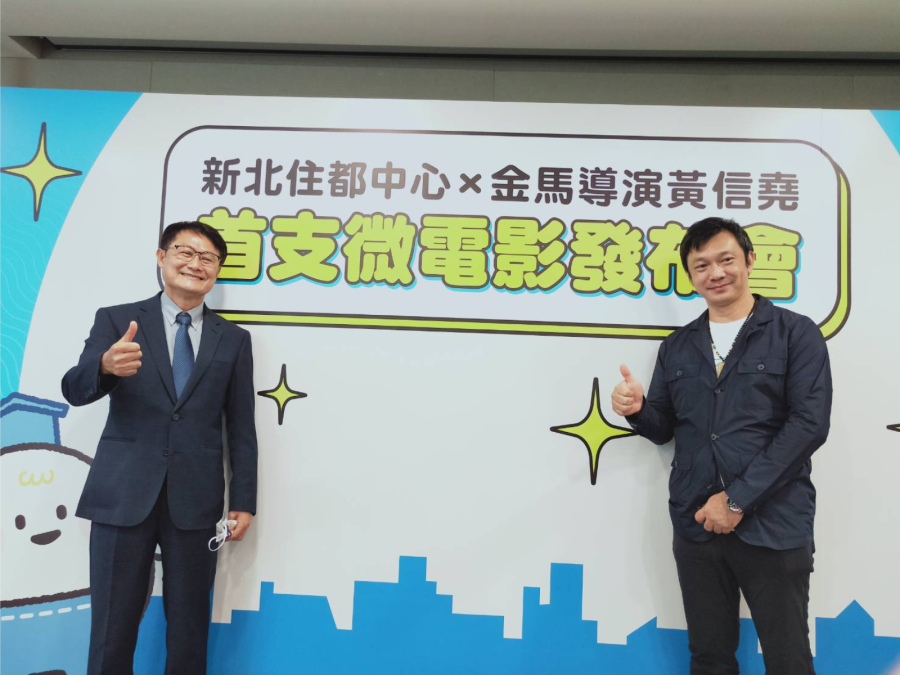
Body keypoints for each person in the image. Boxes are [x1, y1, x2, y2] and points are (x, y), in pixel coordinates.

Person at [611, 217, 832, 675]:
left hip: (774, 522)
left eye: (726, 259)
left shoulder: (795, 333)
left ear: (749, 260)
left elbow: (808, 426)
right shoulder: (677, 346)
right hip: (697, 526)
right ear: (691, 276)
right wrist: (636, 410)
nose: (716, 273)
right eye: (701, 265)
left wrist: (736, 500)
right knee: (709, 658)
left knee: (788, 659)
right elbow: (663, 428)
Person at [61, 221, 258, 675]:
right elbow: (74, 389)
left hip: (197, 501)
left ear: (217, 271)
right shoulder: (118, 320)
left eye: (208, 258)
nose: (195, 264)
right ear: (161, 257)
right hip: (122, 494)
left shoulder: (234, 339)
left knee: (189, 628)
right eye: (185, 252)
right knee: (112, 627)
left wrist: (244, 501)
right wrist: (104, 366)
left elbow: (240, 427)